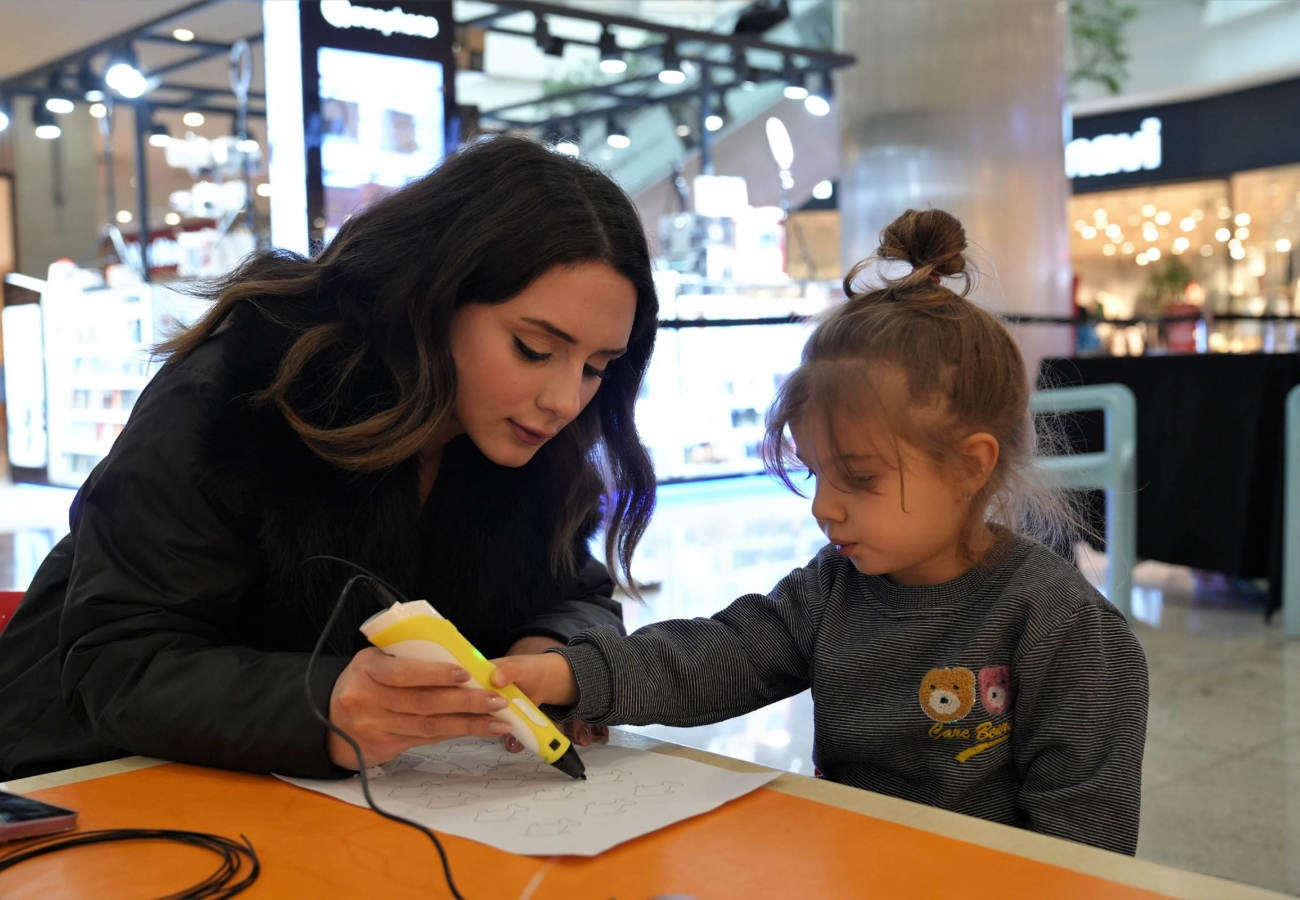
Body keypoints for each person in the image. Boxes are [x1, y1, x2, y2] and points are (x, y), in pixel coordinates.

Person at [0, 135, 660, 781]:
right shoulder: (241, 396)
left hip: (349, 812)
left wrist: (552, 655)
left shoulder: (523, 443)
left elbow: (577, 592)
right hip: (84, 786)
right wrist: (322, 706)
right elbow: (115, 660)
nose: (565, 400)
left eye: (597, 367)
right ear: (433, 297)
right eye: (534, 350)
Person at [494, 209, 1150, 856]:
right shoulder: (832, 588)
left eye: (858, 478)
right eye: (816, 473)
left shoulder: (1060, 625)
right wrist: (566, 674)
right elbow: (715, 656)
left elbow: (1083, 848)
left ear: (969, 466)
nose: (823, 508)